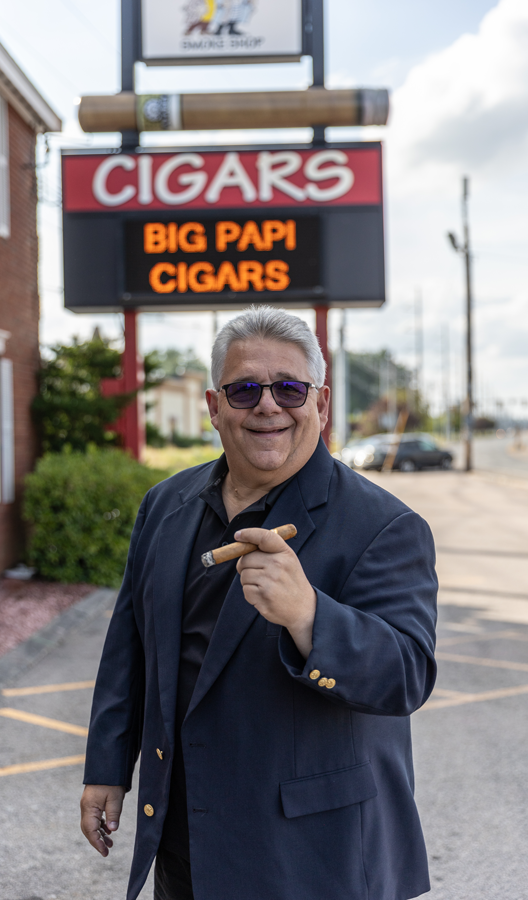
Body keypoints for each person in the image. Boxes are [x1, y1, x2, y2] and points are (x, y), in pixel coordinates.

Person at [80, 306, 438, 900]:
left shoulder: (385, 525)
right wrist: (107, 767)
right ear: (214, 407)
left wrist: (309, 615)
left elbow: (407, 676)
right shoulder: (164, 505)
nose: (268, 405)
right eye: (244, 390)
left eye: (289, 388)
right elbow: (131, 647)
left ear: (320, 404)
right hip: (187, 835)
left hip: (313, 854)